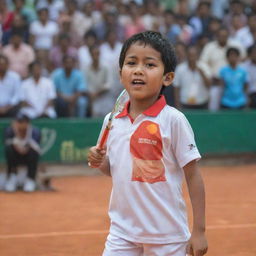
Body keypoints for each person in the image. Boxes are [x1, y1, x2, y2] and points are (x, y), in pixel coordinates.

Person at [88, 31, 208, 256]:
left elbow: (193, 175)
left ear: (168, 78)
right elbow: (113, 169)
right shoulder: (111, 120)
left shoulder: (173, 120)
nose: (138, 70)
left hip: (168, 237)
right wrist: (100, 161)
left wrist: (199, 230)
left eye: (150, 64)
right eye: (131, 63)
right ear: (120, 73)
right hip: (122, 233)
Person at [4, 113, 41, 192]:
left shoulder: (35, 132)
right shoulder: (9, 131)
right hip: (15, 156)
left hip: (29, 156)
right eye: (18, 122)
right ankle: (12, 178)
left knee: (34, 151)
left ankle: (30, 179)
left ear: (27, 123)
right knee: (9, 150)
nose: (19, 124)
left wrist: (24, 149)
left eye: (21, 122)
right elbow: (9, 143)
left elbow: (35, 147)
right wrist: (17, 133)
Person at [242, 44, 256, 108]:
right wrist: (246, 97)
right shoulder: (244, 66)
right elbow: (245, 84)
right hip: (251, 94)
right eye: (253, 53)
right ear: (249, 54)